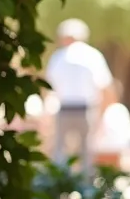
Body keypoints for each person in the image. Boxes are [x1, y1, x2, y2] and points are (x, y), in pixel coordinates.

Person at [44, 18, 115, 173]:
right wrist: (101, 115)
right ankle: (86, 187)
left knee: (60, 151)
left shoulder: (59, 56)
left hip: (64, 110)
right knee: (86, 153)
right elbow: (106, 88)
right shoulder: (93, 55)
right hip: (86, 110)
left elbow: (48, 86)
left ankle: (59, 185)